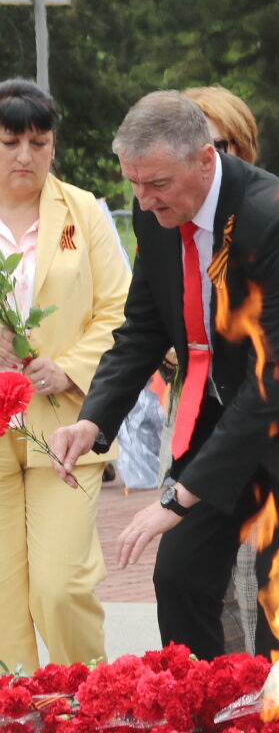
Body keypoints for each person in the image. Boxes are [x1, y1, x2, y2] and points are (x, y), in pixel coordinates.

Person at [47, 91, 279, 659]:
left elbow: (273, 381)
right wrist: (93, 421)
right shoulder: (156, 214)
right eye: (134, 184)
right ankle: (210, 703)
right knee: (180, 575)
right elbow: (141, 330)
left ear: (205, 159)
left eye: (157, 183)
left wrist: (177, 497)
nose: (144, 200)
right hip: (230, 416)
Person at [0, 80, 128, 669]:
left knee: (60, 585)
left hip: (66, 426)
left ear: (54, 145)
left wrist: (70, 368)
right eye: (9, 142)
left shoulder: (84, 212)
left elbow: (121, 312)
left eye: (38, 141)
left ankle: (88, 691)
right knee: (5, 597)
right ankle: (18, 702)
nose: (24, 156)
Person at [184, 84, 266, 654]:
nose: (203, 160)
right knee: (199, 575)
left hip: (264, 413)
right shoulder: (168, 218)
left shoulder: (271, 216)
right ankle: (224, 682)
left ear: (242, 148)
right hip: (197, 410)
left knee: (260, 573)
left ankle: (270, 687)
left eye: (217, 146)